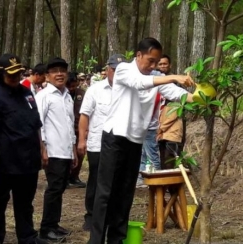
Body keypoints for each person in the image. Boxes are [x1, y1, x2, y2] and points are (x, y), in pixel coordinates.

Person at [89, 37, 194, 244]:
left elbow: (177, 94)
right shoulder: (124, 70)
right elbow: (140, 83)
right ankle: (96, 240)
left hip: (135, 142)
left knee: (126, 193)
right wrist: (173, 76)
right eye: (150, 60)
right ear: (138, 55)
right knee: (105, 193)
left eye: (157, 62)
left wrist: (202, 97)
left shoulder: (156, 77)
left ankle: (116, 240)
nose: (153, 66)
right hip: (114, 138)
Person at [0, 53, 47, 244]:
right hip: (4, 162)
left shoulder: (26, 93)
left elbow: (36, 125)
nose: (15, 77)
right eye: (11, 74)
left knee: (25, 203)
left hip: (28, 161)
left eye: (18, 73)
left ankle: (27, 237)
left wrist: (42, 149)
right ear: (1, 74)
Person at [77, 54, 125, 231]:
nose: (117, 74)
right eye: (113, 70)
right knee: (96, 181)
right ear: (107, 70)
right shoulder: (95, 90)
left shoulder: (127, 91)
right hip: (97, 143)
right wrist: (82, 140)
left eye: (121, 71)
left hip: (119, 144)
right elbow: (84, 116)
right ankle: (91, 216)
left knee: (115, 182)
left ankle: (111, 216)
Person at [36, 57, 77, 242]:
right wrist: (42, 148)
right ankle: (46, 229)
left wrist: (74, 150)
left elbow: (70, 125)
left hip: (65, 150)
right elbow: (38, 124)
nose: (59, 74)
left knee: (60, 188)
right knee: (53, 189)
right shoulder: (44, 96)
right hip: (52, 150)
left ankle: (54, 224)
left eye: (62, 70)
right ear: (47, 75)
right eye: (54, 71)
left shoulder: (67, 95)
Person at [66, 72, 86, 188]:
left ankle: (75, 176)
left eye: (74, 86)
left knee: (80, 153)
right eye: (70, 86)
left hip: (79, 129)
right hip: (67, 129)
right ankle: (65, 177)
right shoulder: (62, 94)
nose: (72, 88)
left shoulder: (82, 94)